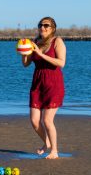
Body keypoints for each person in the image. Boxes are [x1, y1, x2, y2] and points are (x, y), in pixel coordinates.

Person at [22, 17, 66, 159]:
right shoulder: (34, 42)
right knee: (35, 121)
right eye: (41, 25)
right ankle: (46, 143)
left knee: (47, 120)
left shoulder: (57, 41)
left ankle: (54, 151)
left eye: (46, 25)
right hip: (37, 83)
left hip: (53, 83)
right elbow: (26, 64)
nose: (43, 27)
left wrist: (41, 54)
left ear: (52, 28)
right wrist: (24, 53)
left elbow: (61, 63)